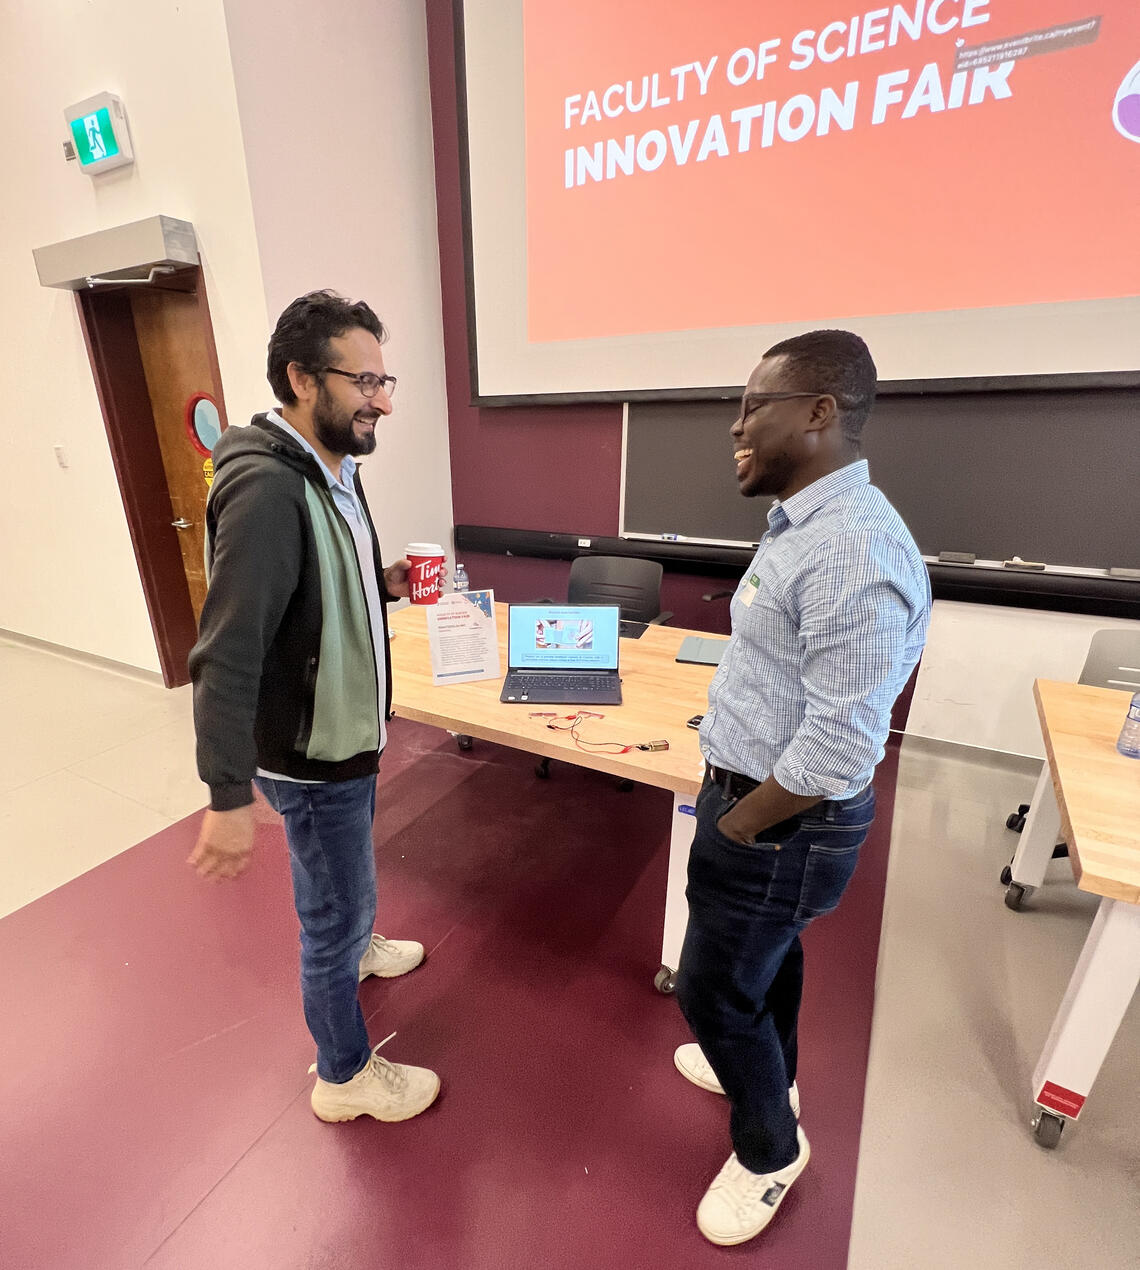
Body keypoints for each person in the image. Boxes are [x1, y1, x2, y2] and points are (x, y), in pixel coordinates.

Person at [673, 330, 931, 1246]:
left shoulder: (852, 550)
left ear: (821, 412)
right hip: (761, 806)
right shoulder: (807, 526)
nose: (735, 427)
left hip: (782, 822)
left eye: (754, 406)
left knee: (708, 993)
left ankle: (770, 1152)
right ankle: (768, 1072)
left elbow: (840, 748)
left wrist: (735, 824)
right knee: (767, 958)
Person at [188, 290, 440, 1125]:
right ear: (301, 378)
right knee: (328, 913)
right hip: (312, 751)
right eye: (363, 380)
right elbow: (225, 653)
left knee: (343, 884)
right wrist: (225, 797)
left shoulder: (335, 468)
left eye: (385, 377)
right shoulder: (267, 489)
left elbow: (317, 588)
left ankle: (359, 940)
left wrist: (386, 582)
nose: (384, 400)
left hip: (349, 736)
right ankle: (344, 1076)